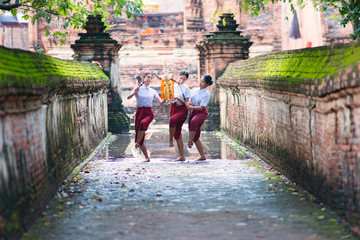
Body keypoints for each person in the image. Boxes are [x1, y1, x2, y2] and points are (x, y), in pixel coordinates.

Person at [127, 73, 166, 162]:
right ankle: (147, 158)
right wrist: (134, 92)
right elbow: (128, 97)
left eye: (151, 78)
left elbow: (161, 102)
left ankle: (136, 143)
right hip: (139, 112)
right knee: (141, 138)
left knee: (143, 123)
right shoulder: (138, 89)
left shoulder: (153, 91)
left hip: (148, 112)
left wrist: (167, 96)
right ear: (144, 78)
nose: (149, 79)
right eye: (148, 77)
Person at [185, 74, 213, 161]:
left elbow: (201, 107)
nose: (200, 83)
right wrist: (187, 104)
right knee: (196, 136)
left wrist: (190, 107)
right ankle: (202, 156)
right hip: (193, 111)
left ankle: (190, 141)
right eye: (200, 81)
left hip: (201, 113)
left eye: (203, 82)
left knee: (193, 122)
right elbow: (189, 100)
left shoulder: (206, 94)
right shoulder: (194, 90)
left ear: (207, 84)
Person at [168, 71, 191, 161]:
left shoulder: (186, 89)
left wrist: (178, 99)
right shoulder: (173, 86)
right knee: (177, 133)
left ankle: (170, 140)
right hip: (173, 108)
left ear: (186, 80)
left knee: (172, 120)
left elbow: (187, 103)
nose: (181, 80)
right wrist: (171, 100)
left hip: (182, 109)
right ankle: (182, 156)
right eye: (180, 78)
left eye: (183, 79)